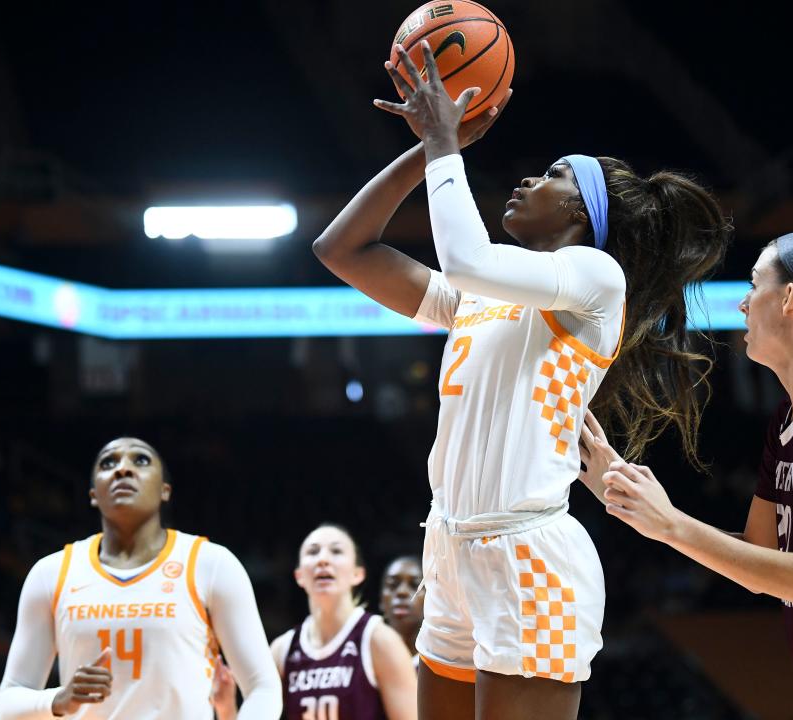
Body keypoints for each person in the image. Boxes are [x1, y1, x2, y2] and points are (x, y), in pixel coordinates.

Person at [312, 42, 729, 720]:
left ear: (583, 216)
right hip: (448, 546)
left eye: (552, 177)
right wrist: (426, 151)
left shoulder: (597, 279)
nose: (528, 181)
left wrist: (447, 146)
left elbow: (468, 257)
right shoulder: (476, 297)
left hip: (527, 554)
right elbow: (341, 249)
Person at [591, 228, 793, 718]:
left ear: (789, 298)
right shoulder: (791, 420)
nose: (743, 304)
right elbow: (757, 563)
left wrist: (672, 525)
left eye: (753, 283)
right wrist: (634, 499)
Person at [0, 437, 282, 719]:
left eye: (141, 460)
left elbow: (263, 687)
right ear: (94, 494)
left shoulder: (210, 563)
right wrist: (57, 699)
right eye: (108, 463)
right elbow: (9, 700)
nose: (123, 469)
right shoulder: (51, 573)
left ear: (164, 490)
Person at [270, 524, 417, 720]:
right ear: (299, 576)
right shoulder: (282, 650)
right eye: (313, 552)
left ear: (358, 574)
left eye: (336, 551)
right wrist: (227, 704)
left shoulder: (379, 641)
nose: (323, 560)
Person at [379, 555, 424, 663]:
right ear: (381, 600)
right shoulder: (366, 658)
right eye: (392, 585)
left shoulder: (442, 660)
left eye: (414, 586)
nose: (402, 592)